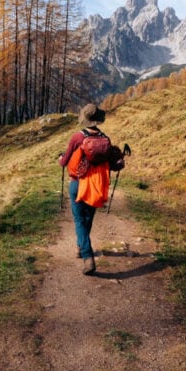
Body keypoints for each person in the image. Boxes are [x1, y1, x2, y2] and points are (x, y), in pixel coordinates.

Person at [58, 103, 124, 275]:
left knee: (79, 220)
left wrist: (60, 159)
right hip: (97, 184)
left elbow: (65, 161)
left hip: (78, 183)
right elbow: (110, 164)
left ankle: (88, 257)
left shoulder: (77, 137)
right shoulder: (105, 139)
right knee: (88, 219)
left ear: (85, 119)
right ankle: (81, 247)